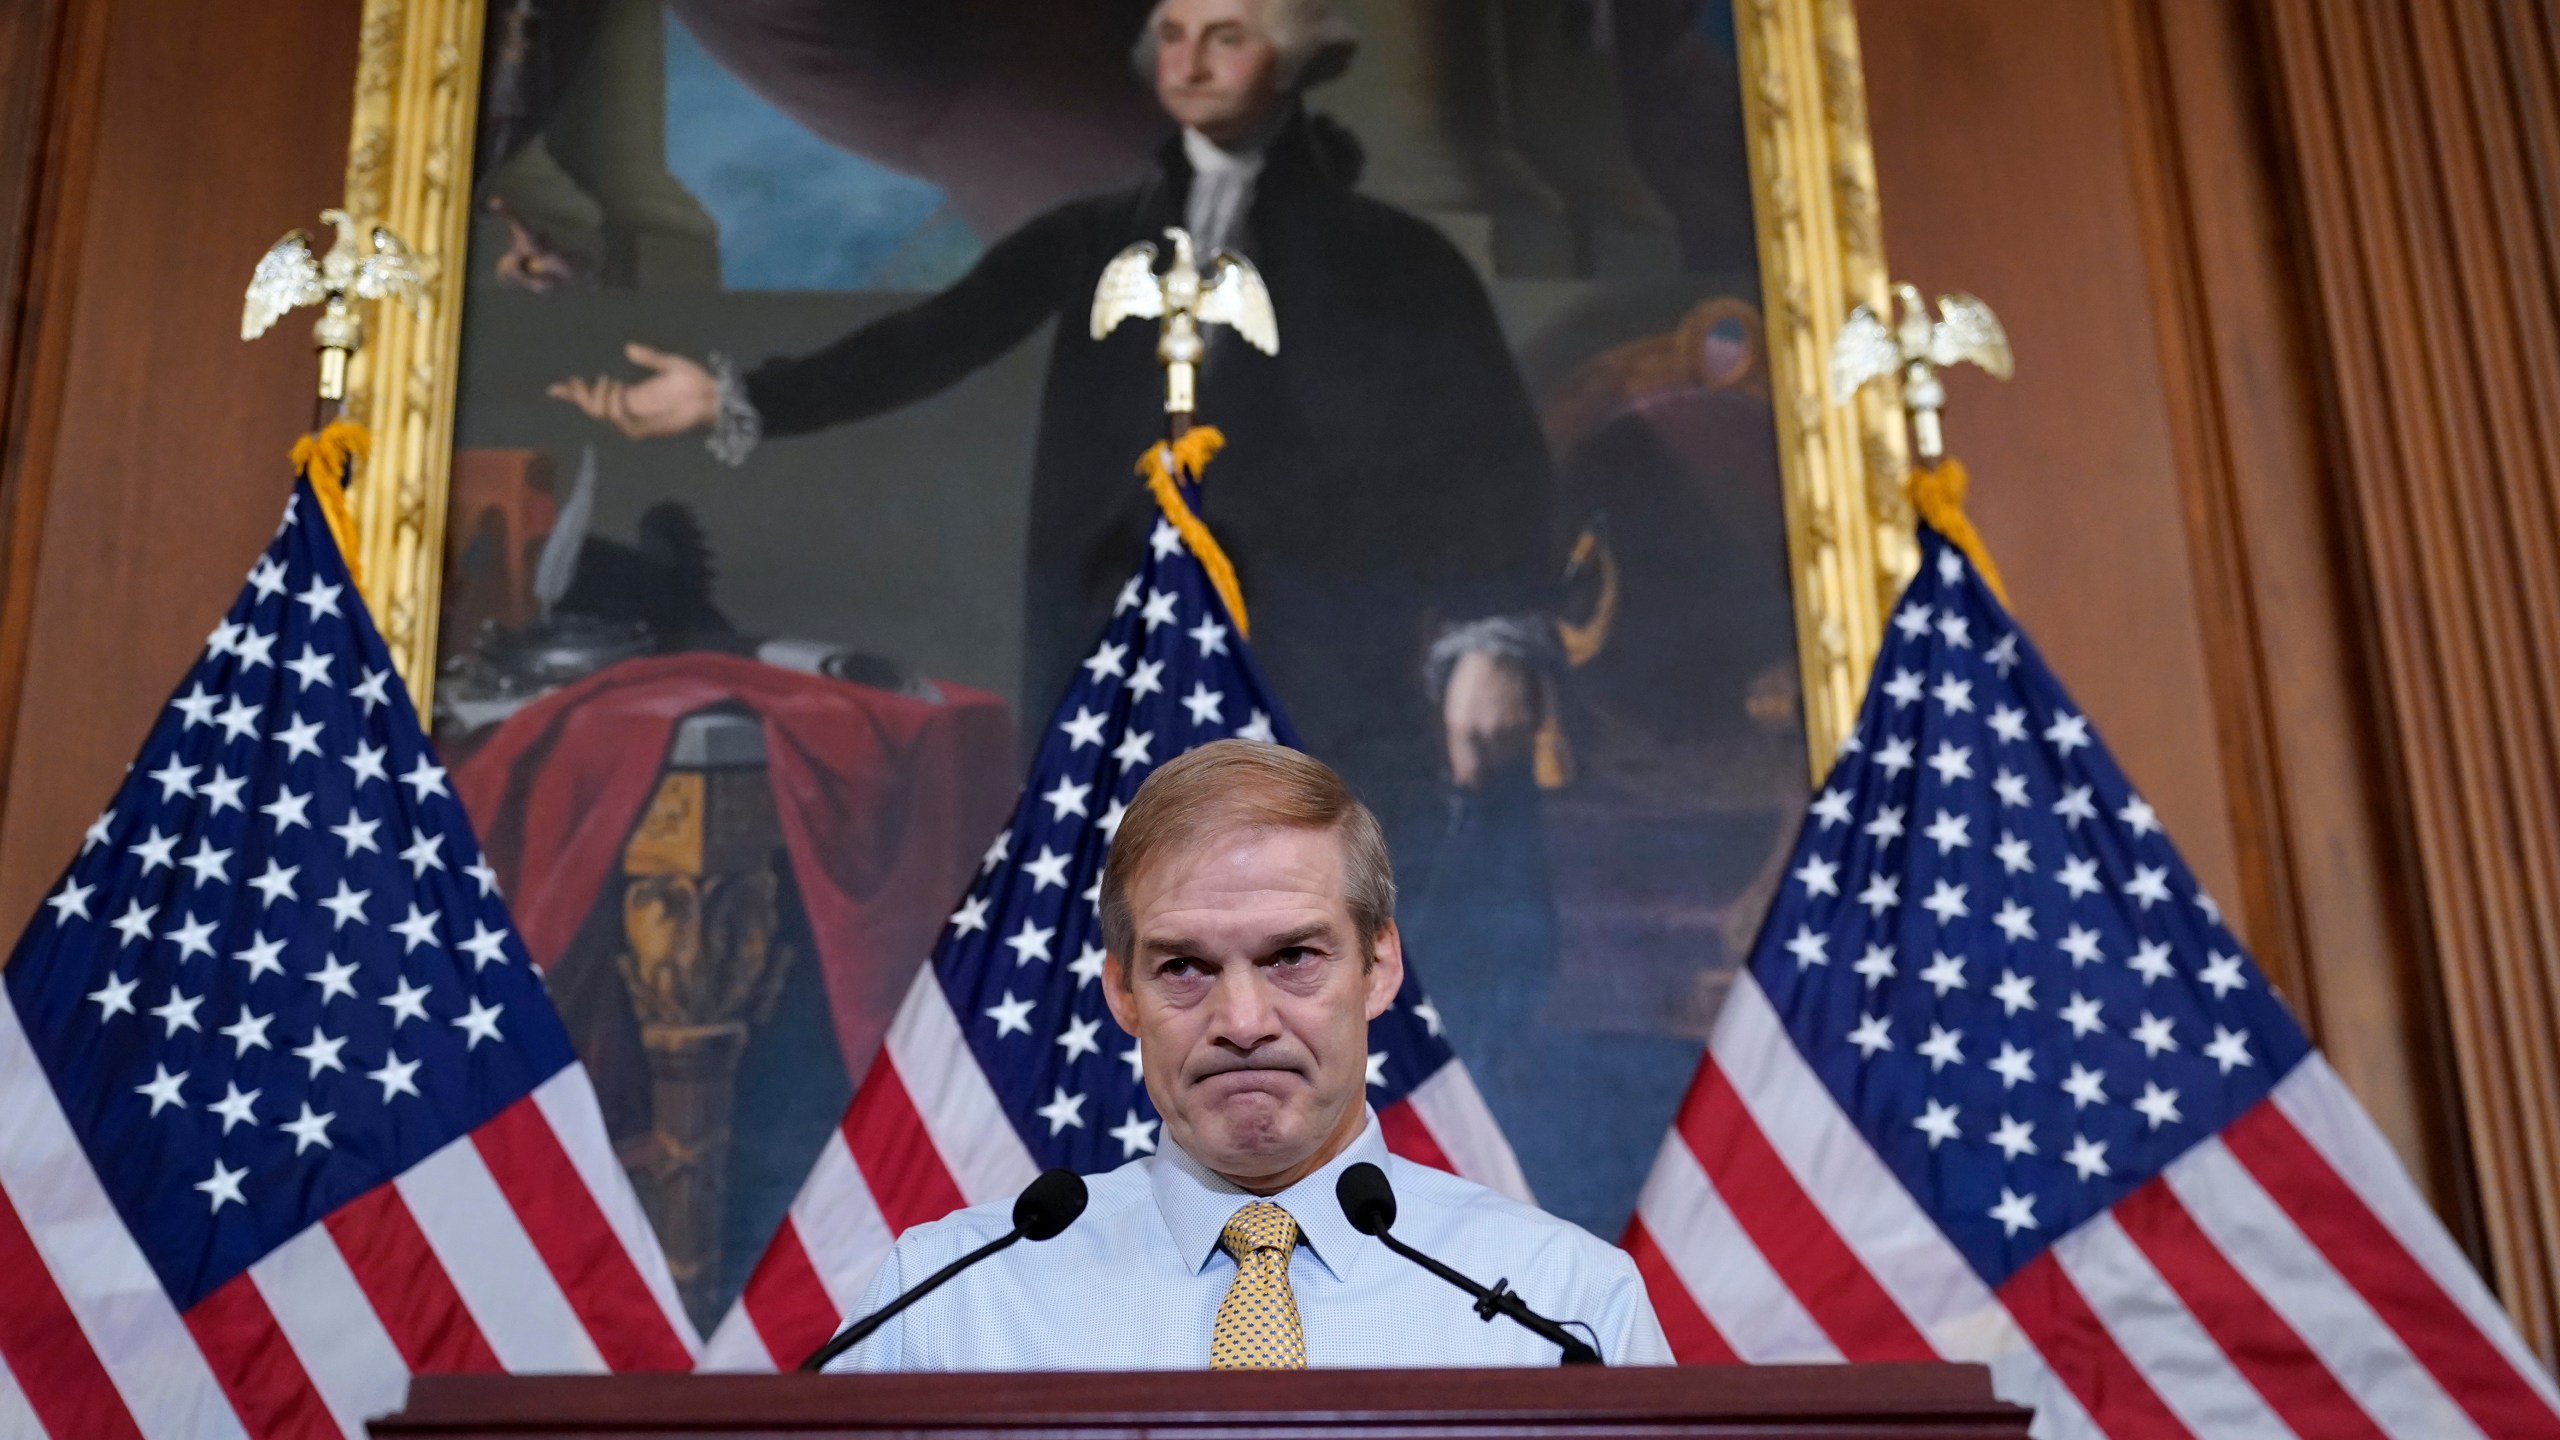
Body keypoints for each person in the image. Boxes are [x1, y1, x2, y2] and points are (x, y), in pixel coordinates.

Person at [548, 0, 1559, 814]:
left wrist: (1489, 639)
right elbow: (932, 341)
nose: (1191, 62)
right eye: (1172, 36)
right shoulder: (1093, 236)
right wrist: (737, 396)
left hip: (1320, 648)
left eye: (1226, 38)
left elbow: (1484, 453)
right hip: (1120, 637)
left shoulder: (1393, 260)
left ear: (1290, 63)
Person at [820, 741, 1670, 1370]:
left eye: (1292, 958)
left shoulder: (1565, 1310)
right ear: (1122, 994)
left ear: (1379, 969)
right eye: (1183, 967)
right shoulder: (945, 1305)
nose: (1242, 1020)